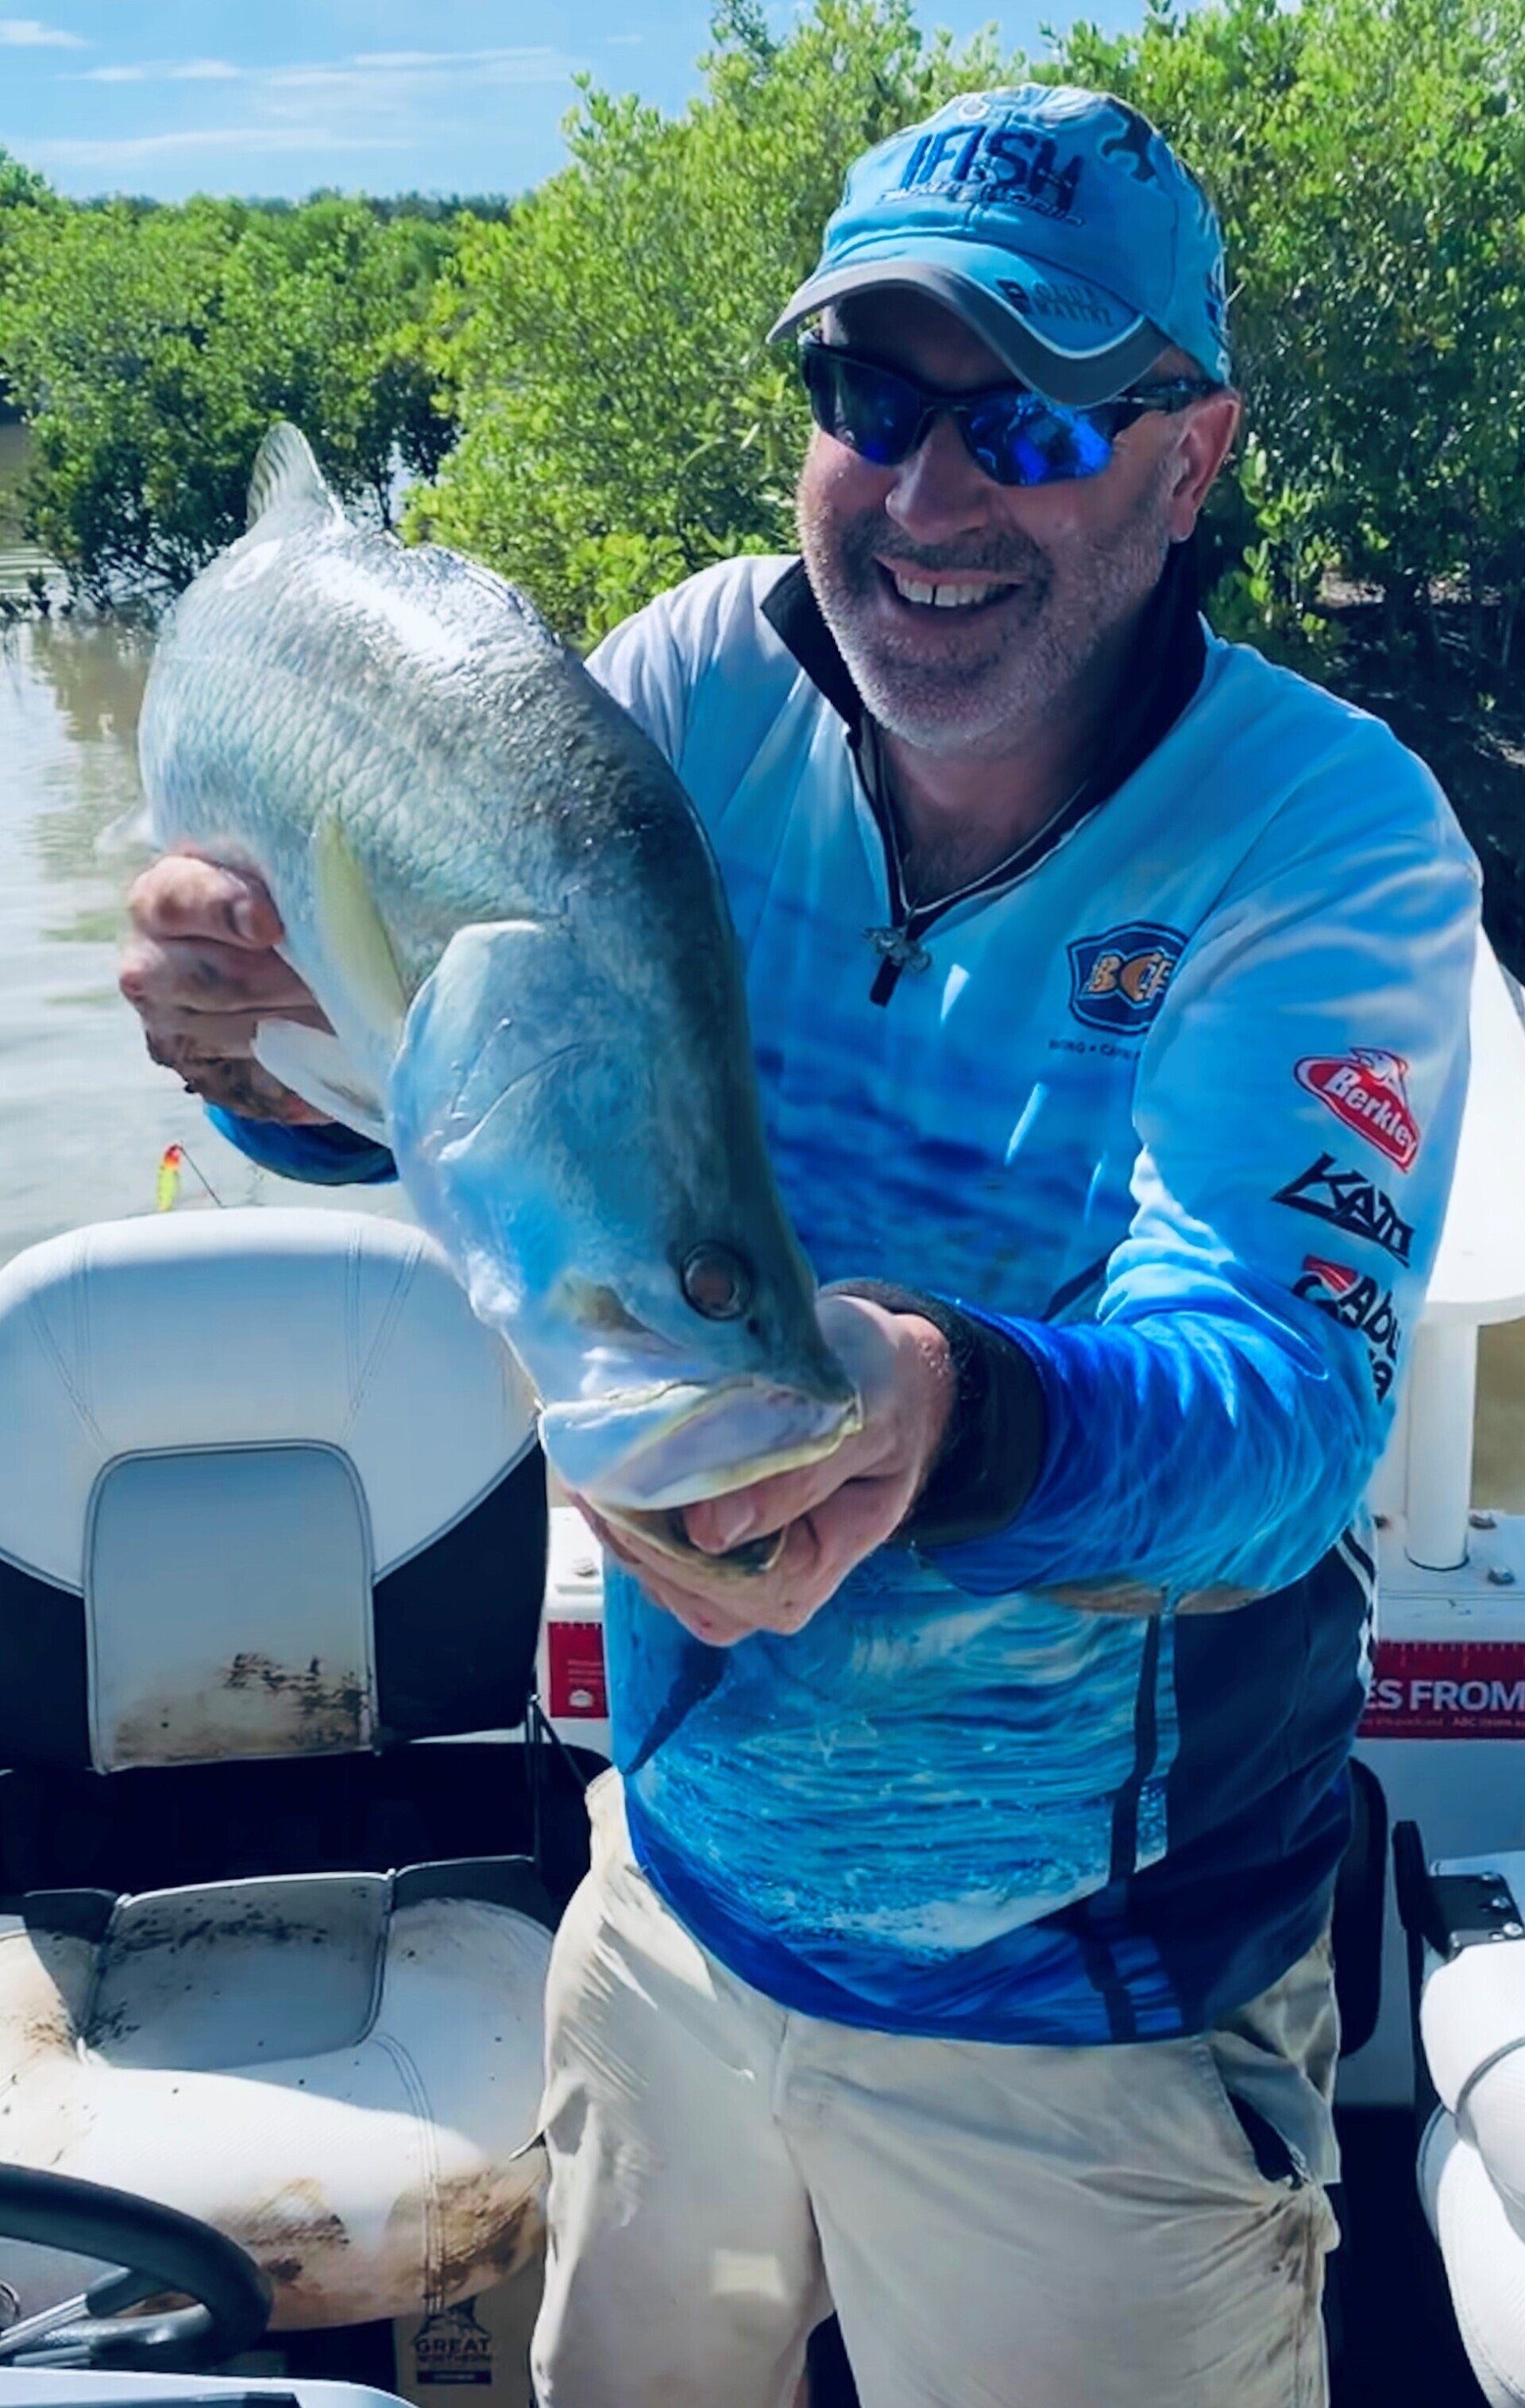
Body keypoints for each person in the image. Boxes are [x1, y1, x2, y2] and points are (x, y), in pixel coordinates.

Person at [121, 84, 1479, 2408]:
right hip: (675, 1904)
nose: (934, 493)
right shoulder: (678, 698)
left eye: (1033, 418)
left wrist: (935, 1406)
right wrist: (267, 1052)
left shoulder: (1326, 841)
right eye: (870, 397)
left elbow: (1280, 1418)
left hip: (1096, 2010)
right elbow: (480, 1127)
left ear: (1194, 450)